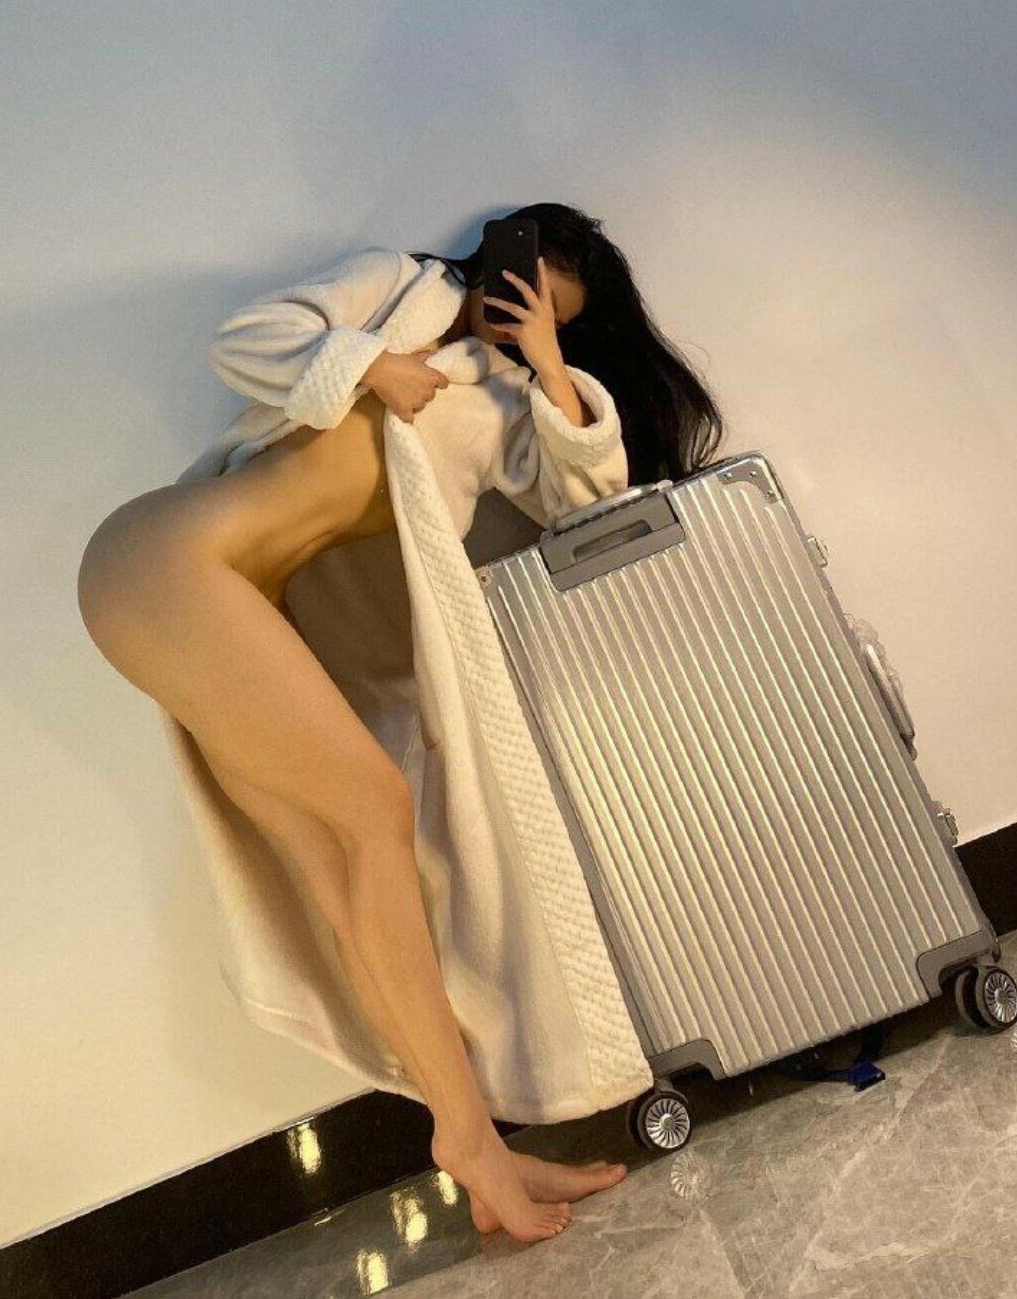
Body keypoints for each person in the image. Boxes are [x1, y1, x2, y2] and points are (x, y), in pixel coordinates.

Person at [77, 201, 724, 1246]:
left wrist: (547, 367)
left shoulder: (505, 398)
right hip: (163, 560)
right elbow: (244, 338)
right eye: (522, 292)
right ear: (500, 256)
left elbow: (584, 496)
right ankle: (470, 1140)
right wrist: (370, 367)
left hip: (223, 599)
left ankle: (471, 1140)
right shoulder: (396, 293)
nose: (518, 318)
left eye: (550, 319)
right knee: (375, 814)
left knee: (347, 875)